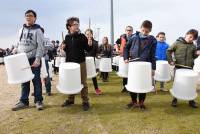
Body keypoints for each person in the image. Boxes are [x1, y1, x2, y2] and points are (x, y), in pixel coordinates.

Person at [12, 9, 45, 111]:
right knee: (24, 81)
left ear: (35, 18)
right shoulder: (21, 29)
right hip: (22, 59)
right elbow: (18, 42)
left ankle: (38, 101)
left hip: (33, 59)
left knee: (36, 81)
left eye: (30, 15)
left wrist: (38, 59)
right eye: (26, 15)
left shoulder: (38, 30)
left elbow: (41, 46)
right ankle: (23, 101)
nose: (28, 17)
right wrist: (15, 48)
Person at [124, 20, 157, 109]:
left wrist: (153, 68)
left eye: (147, 31)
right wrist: (126, 58)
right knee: (133, 83)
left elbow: (153, 55)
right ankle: (134, 101)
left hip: (145, 66)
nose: (144, 33)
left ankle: (141, 102)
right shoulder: (134, 37)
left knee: (143, 84)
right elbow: (126, 47)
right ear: (140, 28)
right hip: (134, 64)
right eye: (143, 30)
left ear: (150, 31)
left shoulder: (153, 40)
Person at [61, 17, 91, 111]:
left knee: (83, 82)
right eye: (75, 24)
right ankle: (71, 99)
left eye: (78, 24)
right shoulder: (67, 37)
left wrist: (90, 43)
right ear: (69, 27)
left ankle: (85, 101)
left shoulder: (82, 36)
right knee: (71, 81)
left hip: (80, 62)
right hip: (69, 63)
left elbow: (88, 49)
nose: (77, 26)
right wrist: (63, 47)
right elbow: (67, 49)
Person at [167, 29, 199, 108]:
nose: (191, 39)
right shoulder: (177, 43)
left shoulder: (193, 46)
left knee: (190, 84)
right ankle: (175, 100)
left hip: (189, 68)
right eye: (190, 36)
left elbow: (193, 56)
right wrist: (170, 61)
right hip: (178, 67)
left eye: (193, 38)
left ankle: (191, 101)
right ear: (186, 34)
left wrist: (197, 54)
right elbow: (168, 51)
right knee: (177, 83)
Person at [116, 26, 134, 92]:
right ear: (125, 31)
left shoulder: (134, 38)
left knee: (131, 73)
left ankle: (130, 86)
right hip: (123, 56)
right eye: (127, 30)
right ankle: (124, 87)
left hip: (132, 57)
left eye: (130, 30)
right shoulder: (122, 37)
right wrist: (117, 49)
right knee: (124, 73)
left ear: (132, 31)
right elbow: (116, 43)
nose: (128, 31)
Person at [85, 29, 102, 95]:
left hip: (92, 61)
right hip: (83, 61)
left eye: (89, 34)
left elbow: (96, 52)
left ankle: (96, 89)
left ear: (92, 34)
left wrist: (98, 55)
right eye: (87, 34)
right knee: (82, 76)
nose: (88, 35)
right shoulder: (83, 41)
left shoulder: (95, 42)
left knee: (93, 76)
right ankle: (81, 89)